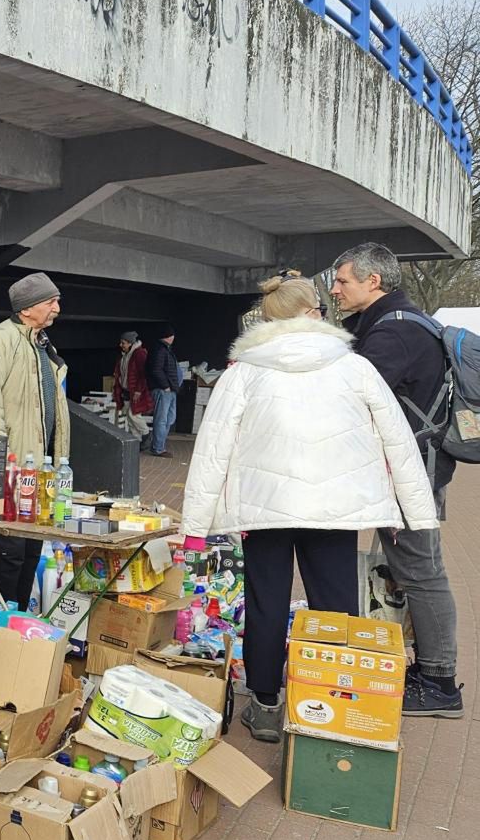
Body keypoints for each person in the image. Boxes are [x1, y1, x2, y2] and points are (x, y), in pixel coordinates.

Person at [183, 273, 437, 741]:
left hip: (265, 508)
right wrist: (414, 511)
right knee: (335, 605)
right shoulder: (355, 368)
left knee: (265, 601)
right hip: (336, 508)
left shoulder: (243, 373)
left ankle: (264, 702)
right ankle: (331, 701)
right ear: (312, 313)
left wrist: (195, 527)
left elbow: (212, 451)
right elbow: (397, 441)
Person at [331, 243, 465, 717]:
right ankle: (431, 671)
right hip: (421, 468)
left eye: (343, 280)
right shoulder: (405, 322)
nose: (335, 289)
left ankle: (439, 683)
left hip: (410, 475)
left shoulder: (392, 335)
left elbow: (351, 402)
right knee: (417, 569)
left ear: (374, 282)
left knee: (421, 573)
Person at [0, 273, 69, 608]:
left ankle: (21, 625)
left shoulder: (40, 344)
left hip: (36, 472)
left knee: (30, 549)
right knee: (7, 550)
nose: (57, 307)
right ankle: (0, 632)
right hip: (5, 469)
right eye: (50, 301)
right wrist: (0, 471)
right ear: (27, 309)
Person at [145, 325, 182, 458]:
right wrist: (165, 386)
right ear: (170, 336)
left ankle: (159, 445)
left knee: (168, 419)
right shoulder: (160, 350)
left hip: (169, 390)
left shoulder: (163, 349)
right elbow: (156, 369)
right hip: (164, 390)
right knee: (162, 419)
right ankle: (158, 448)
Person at [112, 330, 153, 449]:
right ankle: (138, 441)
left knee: (133, 414)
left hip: (136, 391)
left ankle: (146, 434)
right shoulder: (125, 355)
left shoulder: (139, 354)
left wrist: (138, 390)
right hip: (127, 391)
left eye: (123, 343)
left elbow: (143, 374)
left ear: (130, 343)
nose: (121, 345)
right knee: (129, 417)